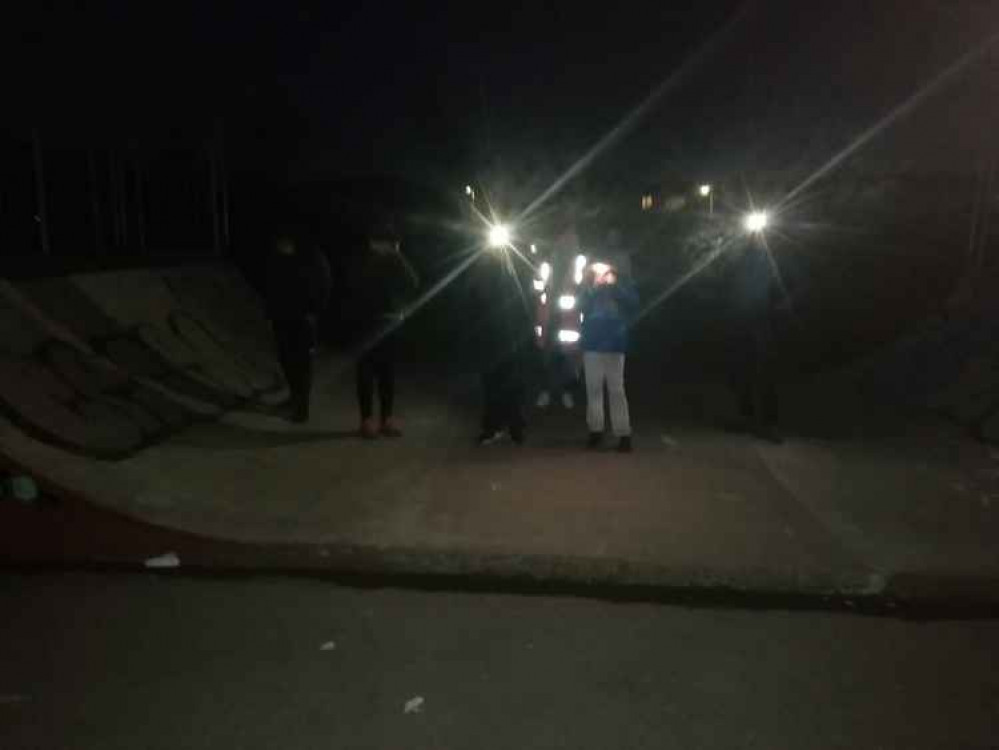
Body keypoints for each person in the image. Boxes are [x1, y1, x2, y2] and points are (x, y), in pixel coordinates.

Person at [354, 220, 420, 439]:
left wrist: (397, 257)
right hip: (365, 322)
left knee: (387, 372)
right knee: (365, 372)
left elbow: (412, 282)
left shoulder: (397, 261)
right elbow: (354, 287)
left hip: (389, 321)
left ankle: (387, 418)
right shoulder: (364, 260)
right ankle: (366, 420)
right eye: (390, 244)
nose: (393, 248)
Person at [469, 244, 534, 445]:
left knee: (512, 384)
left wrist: (526, 334)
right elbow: (475, 299)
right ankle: (493, 426)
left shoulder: (516, 271)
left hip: (510, 339)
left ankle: (515, 426)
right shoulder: (482, 272)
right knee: (492, 385)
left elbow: (524, 302)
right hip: (490, 338)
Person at [265, 232, 332, 423]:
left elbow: (325, 284)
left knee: (302, 363)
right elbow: (273, 286)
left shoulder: (313, 258)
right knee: (285, 358)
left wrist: (314, 310)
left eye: (283, 243)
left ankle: (302, 409)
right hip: (282, 317)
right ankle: (294, 397)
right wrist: (270, 312)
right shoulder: (279, 258)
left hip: (303, 319)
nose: (280, 246)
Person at [579, 260, 639, 452]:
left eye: (604, 269)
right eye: (597, 270)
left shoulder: (622, 285)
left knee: (616, 390)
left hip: (614, 344)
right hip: (593, 344)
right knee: (594, 389)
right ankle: (595, 431)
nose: (601, 273)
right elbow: (581, 304)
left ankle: (623, 434)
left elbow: (633, 302)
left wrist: (614, 287)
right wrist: (595, 287)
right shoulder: (588, 287)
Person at [728, 236, 782, 443]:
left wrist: (778, 309)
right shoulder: (740, 259)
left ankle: (769, 423)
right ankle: (746, 417)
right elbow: (729, 283)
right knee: (742, 369)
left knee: (766, 371)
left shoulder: (774, 260)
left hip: (764, 321)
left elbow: (788, 285)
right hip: (741, 320)